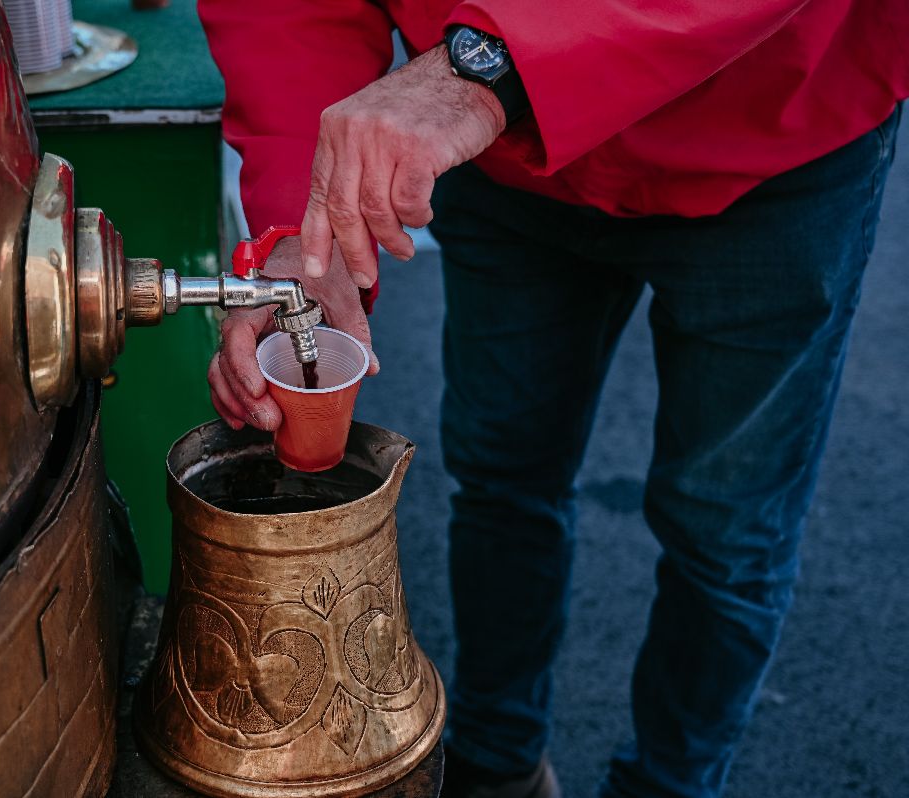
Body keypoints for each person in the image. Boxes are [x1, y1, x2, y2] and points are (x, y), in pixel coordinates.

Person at [197, 1, 908, 796]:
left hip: (771, 134)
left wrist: (491, 64)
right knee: (502, 476)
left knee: (728, 529)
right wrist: (304, 224)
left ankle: (672, 785)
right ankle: (497, 765)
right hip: (511, 160)